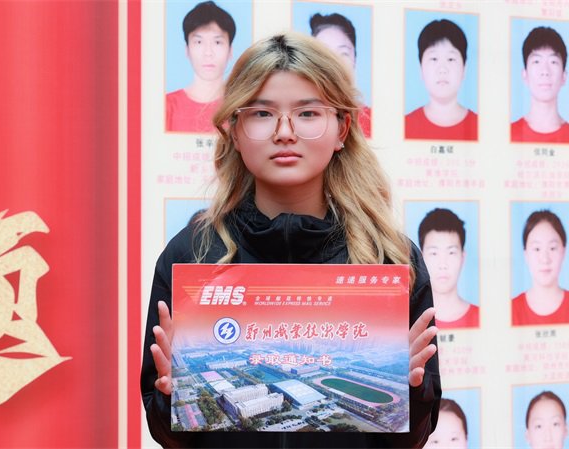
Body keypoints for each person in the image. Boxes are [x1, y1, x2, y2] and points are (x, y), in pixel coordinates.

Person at [142, 32, 441, 448]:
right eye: (262, 113)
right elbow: (167, 435)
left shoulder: (390, 258)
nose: (284, 132)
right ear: (234, 130)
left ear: (342, 128)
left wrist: (412, 395)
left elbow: (411, 440)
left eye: (308, 113)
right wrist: (170, 400)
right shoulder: (192, 254)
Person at [165, 1, 235, 132]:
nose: (208, 53)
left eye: (217, 42)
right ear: (187, 50)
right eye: (198, 42)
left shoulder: (241, 106)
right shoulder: (166, 106)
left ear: (230, 50)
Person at [405, 19, 477, 140]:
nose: (442, 69)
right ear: (421, 69)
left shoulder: (482, 128)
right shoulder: (403, 127)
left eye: (451, 59)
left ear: (464, 69)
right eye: (434, 59)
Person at [309, 12, 372, 137]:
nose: (335, 63)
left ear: (355, 59)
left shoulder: (371, 119)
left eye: (343, 53)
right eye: (325, 54)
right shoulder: (297, 117)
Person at [511, 26, 569, 144]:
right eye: (536, 61)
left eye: (553, 62)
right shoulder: (507, 135)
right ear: (525, 75)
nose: (545, 71)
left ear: (564, 76)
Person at [512, 210, 569, 326]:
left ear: (563, 252)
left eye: (552, 248)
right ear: (526, 254)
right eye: (537, 249)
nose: (545, 259)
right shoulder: (510, 311)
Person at [418, 208, 479, 328]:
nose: (443, 265)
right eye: (434, 253)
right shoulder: (411, 321)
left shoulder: (483, 318)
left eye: (451, 252)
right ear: (421, 258)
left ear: (462, 257)